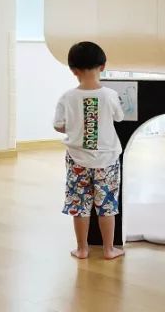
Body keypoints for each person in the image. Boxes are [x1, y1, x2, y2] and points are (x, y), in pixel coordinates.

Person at [53, 41, 126, 260]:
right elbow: (119, 117)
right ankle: (108, 249)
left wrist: (77, 126)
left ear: (73, 70)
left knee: (79, 206)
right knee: (107, 206)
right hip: (107, 160)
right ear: (102, 66)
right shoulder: (110, 95)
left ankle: (82, 249)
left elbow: (58, 125)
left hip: (77, 160)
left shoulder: (67, 97)